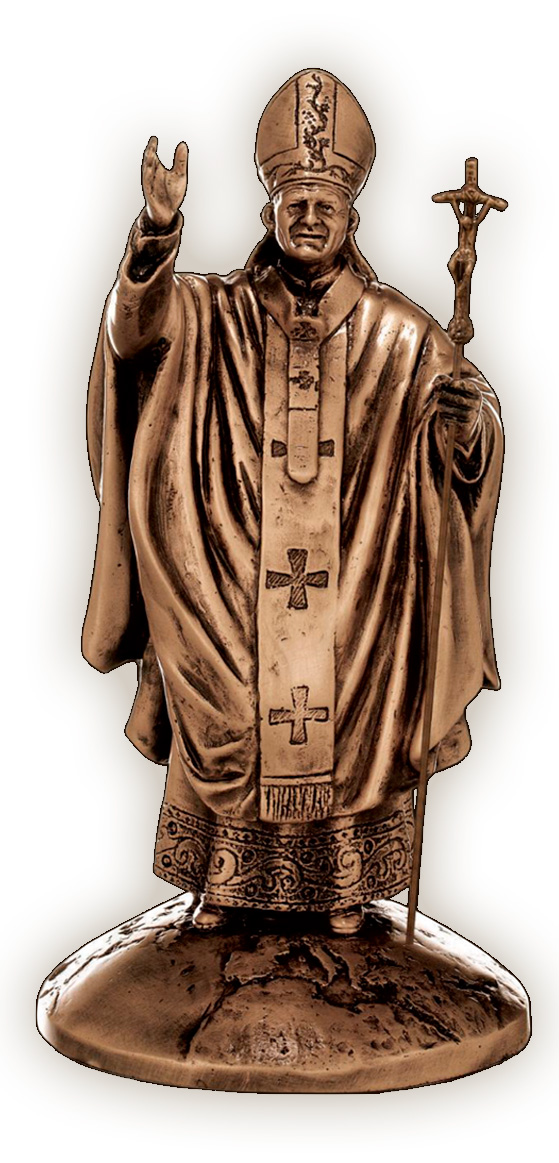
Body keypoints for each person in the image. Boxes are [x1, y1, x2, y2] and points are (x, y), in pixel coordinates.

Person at [83, 69, 503, 935]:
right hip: (228, 581)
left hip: (356, 585)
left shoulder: (401, 333)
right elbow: (134, 331)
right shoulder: (212, 312)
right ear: (268, 210)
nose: (309, 218)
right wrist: (155, 233)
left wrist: (466, 429)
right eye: (294, 203)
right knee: (227, 701)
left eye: (326, 205)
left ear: (353, 219)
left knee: (350, 707)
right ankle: (224, 879)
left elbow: (466, 438)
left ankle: (341, 886)